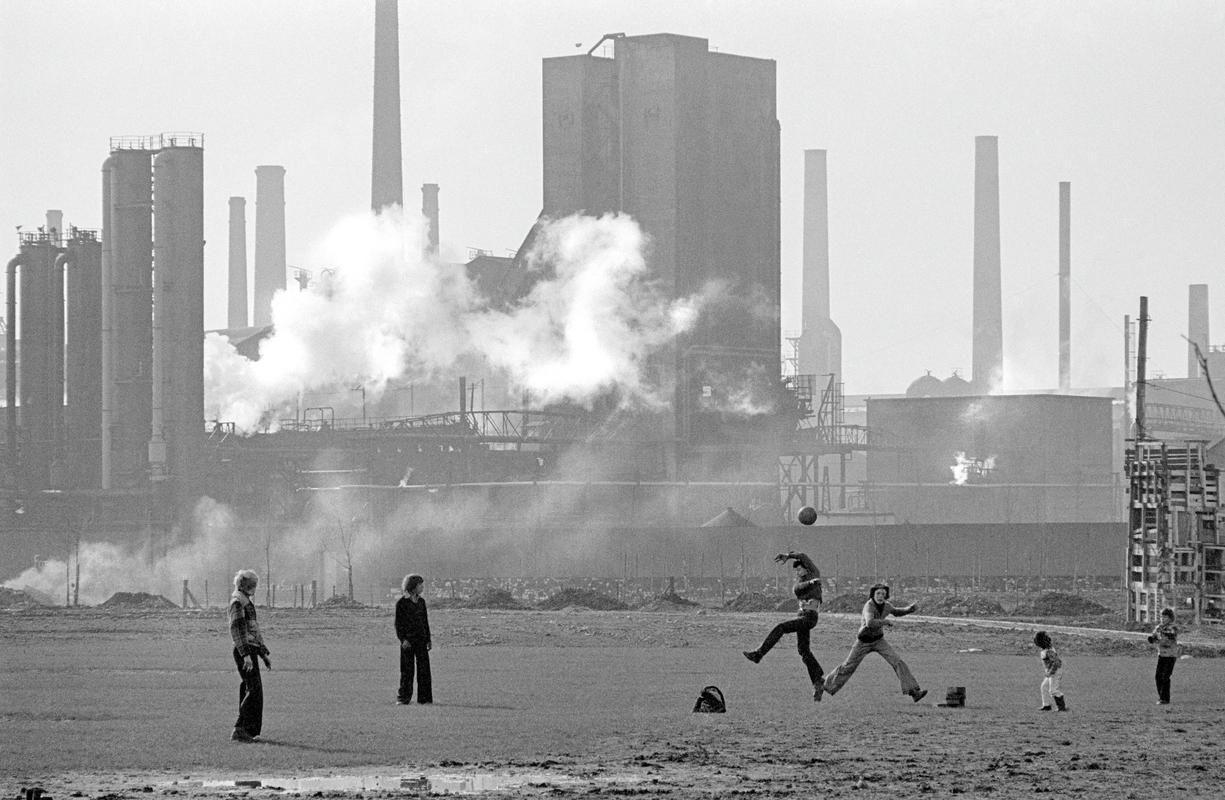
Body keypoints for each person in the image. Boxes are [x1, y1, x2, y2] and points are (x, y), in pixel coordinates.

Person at [822, 583, 928, 703]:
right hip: (863, 642)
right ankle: (824, 685)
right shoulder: (869, 606)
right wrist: (885, 622)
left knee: (898, 662)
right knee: (848, 666)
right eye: (878, 593)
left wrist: (910, 609)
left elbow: (897, 612)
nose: (881, 596)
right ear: (873, 594)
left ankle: (914, 692)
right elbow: (870, 623)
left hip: (879, 640)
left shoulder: (887, 605)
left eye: (883, 593)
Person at [742, 551, 826, 701]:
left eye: (800, 569)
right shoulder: (801, 583)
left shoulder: (814, 573)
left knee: (781, 627)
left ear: (807, 569)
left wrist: (789, 555)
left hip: (810, 617)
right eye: (796, 571)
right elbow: (798, 589)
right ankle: (818, 681)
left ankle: (758, 654)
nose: (798, 572)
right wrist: (811, 583)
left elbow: (803, 556)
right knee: (803, 651)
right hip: (802, 616)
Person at [228, 569, 271, 742]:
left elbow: (253, 630)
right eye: (252, 585)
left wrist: (262, 653)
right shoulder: (238, 602)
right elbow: (237, 629)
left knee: (250, 688)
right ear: (245, 585)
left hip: (250, 650)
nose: (255, 588)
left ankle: (248, 731)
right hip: (244, 651)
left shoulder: (244, 601)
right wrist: (245, 654)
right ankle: (240, 729)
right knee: (254, 690)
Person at [395, 573, 433, 704]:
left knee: (424, 671)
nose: (422, 587)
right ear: (413, 586)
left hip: (421, 640)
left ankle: (425, 699)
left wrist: (428, 639)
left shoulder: (421, 602)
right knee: (407, 671)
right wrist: (402, 640)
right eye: (420, 584)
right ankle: (403, 698)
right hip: (408, 642)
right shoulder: (402, 603)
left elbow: (425, 622)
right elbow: (398, 624)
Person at [1147, 607, 1180, 705]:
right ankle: (1161, 696)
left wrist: (1157, 639)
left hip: (1171, 655)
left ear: (1170, 618)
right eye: (1162, 617)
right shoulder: (1159, 627)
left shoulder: (1173, 627)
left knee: (1165, 676)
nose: (1163, 619)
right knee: (1158, 676)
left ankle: (1165, 699)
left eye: (1165, 617)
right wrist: (1152, 639)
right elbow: (1154, 636)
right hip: (1161, 655)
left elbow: (1168, 639)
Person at [1033, 630, 1067, 711]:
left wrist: (1050, 672)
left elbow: (1056, 662)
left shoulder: (1049, 651)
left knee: (1053, 690)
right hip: (1052, 672)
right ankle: (1046, 705)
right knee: (1044, 687)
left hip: (1055, 672)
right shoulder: (1046, 650)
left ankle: (1061, 707)